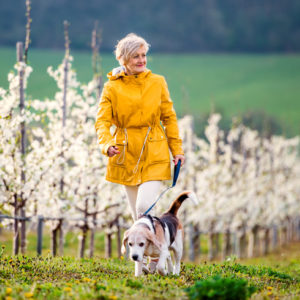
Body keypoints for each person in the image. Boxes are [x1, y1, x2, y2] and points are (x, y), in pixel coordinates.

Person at [95, 32, 185, 221]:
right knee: (138, 217)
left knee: (144, 207)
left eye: (143, 55)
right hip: (125, 154)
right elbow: (102, 121)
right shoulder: (111, 88)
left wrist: (177, 150)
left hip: (155, 151)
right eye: (136, 56)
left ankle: (158, 248)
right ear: (124, 60)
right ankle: (156, 250)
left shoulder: (157, 82)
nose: (142, 60)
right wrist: (106, 144)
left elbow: (169, 118)